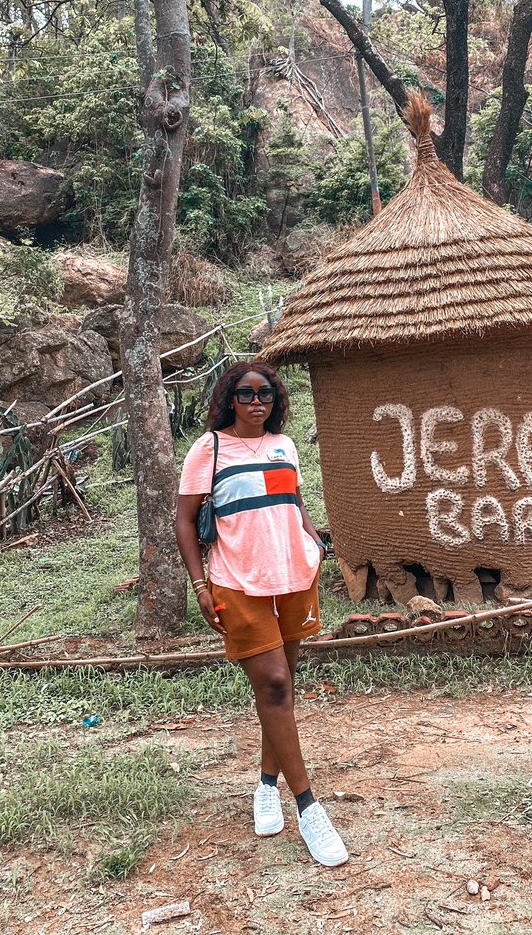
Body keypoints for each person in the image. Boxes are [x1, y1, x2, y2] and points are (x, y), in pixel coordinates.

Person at [176, 360, 348, 867]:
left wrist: (313, 541)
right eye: (247, 394)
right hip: (238, 583)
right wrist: (200, 585)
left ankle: (266, 784)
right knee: (273, 684)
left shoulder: (284, 445)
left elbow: (293, 498)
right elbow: (185, 522)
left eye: (266, 394)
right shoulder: (207, 450)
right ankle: (309, 807)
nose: (257, 402)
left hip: (293, 575)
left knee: (283, 690)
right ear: (230, 397)